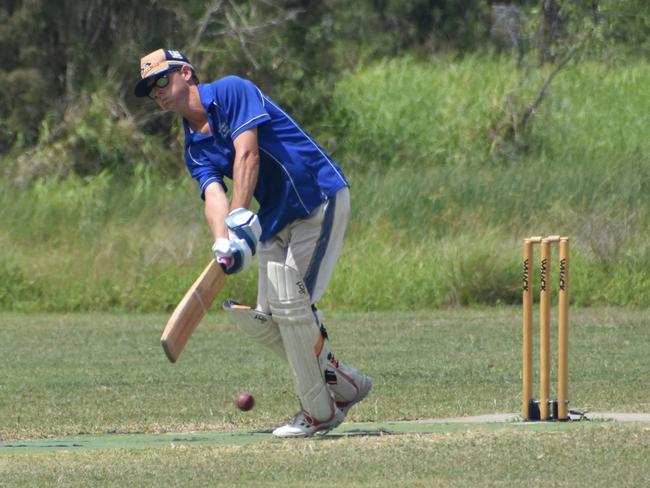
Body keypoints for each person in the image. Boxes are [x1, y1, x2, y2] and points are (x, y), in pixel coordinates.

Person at [134, 49, 372, 437]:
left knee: (292, 308)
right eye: (149, 88)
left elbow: (248, 154)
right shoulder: (194, 146)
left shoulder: (230, 91)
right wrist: (223, 240)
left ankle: (319, 410)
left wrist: (240, 215)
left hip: (316, 196)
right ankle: (345, 383)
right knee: (264, 318)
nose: (157, 92)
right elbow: (213, 193)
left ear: (187, 73)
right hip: (275, 217)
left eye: (162, 79)